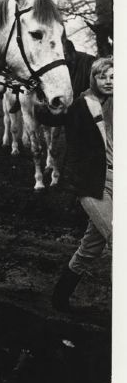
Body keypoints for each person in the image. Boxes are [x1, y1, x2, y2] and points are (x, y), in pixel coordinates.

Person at [36, 56, 113, 312]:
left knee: (90, 248)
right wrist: (38, 94)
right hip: (93, 185)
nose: (109, 81)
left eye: (114, 76)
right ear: (94, 78)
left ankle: (59, 297)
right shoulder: (81, 104)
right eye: (103, 76)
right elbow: (50, 116)